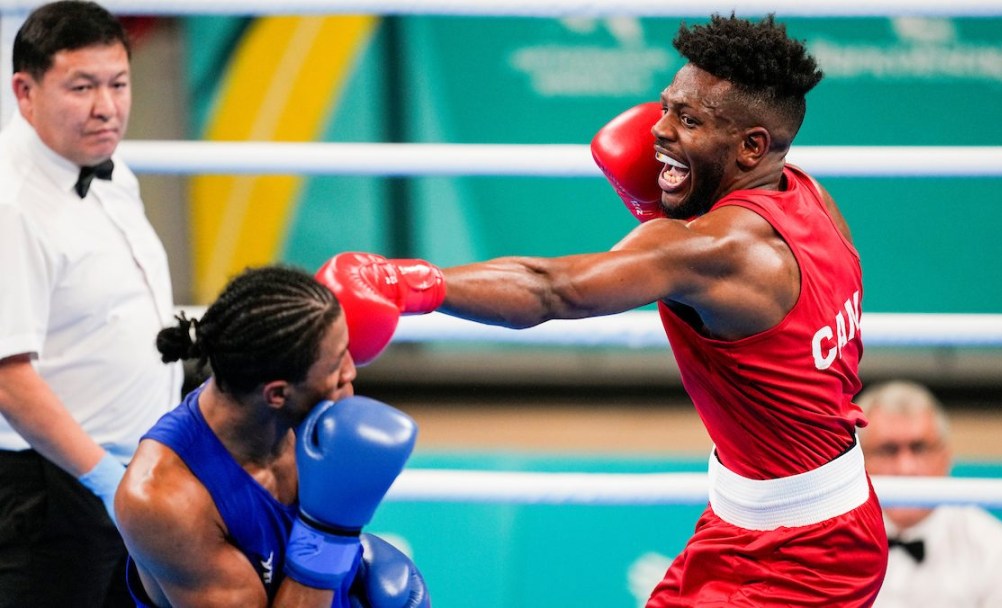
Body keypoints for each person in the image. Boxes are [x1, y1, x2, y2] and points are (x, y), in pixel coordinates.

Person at [315, 12, 887, 607]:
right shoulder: (807, 194)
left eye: (688, 119)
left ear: (751, 147)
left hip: (804, 556)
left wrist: (408, 284)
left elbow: (549, 289)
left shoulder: (712, 250)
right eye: (666, 106)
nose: (659, 131)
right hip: (775, 518)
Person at [0, 2, 182, 606]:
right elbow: (6, 377)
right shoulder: (11, 205)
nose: (106, 106)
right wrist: (102, 478)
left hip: (131, 472)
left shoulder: (104, 163)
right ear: (24, 92)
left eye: (118, 83)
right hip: (53, 489)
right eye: (82, 87)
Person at [114, 265, 430, 608]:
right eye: (337, 363)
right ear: (277, 394)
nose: (351, 371)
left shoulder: (295, 398)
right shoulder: (165, 500)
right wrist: (329, 536)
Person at [857, 380, 1002, 608]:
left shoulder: (998, 549)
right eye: (888, 450)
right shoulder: (830, 544)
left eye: (920, 448)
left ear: (946, 456)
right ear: (859, 459)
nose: (906, 468)